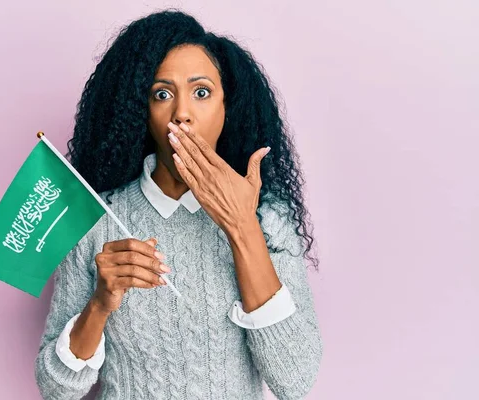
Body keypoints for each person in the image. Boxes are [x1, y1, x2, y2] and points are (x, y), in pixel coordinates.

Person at [34, 9, 323, 400]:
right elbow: (56, 390)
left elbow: (296, 380)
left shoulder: (266, 218)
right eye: (162, 94)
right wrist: (99, 305)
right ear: (141, 112)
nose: (182, 114)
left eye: (201, 92)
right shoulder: (95, 219)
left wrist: (242, 227)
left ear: (227, 108)